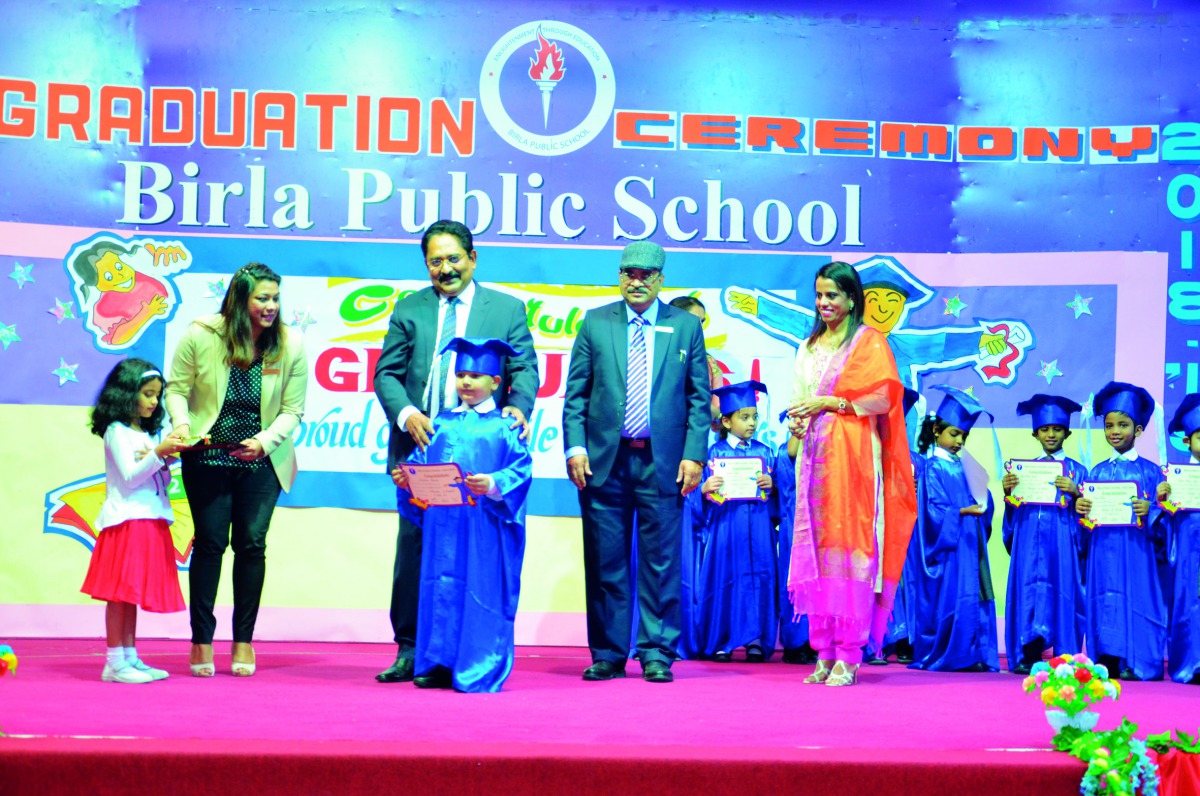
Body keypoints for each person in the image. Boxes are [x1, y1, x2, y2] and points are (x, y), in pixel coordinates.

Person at [374, 220, 538, 684]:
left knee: (474, 556)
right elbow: (387, 373)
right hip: (423, 448)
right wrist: (408, 414)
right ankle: (411, 649)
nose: (445, 269)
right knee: (416, 554)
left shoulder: (506, 308)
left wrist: (519, 406)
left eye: (453, 258)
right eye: (435, 261)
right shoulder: (410, 308)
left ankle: (468, 649)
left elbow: (525, 368)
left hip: (480, 455)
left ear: (472, 258)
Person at [563, 240, 711, 684]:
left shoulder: (685, 326)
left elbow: (699, 398)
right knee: (605, 560)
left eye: (647, 274)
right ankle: (608, 653)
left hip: (662, 462)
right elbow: (576, 395)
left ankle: (656, 652)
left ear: (661, 279)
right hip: (603, 463)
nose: (637, 281)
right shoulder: (595, 322)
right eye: (630, 273)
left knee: (661, 562)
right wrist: (575, 448)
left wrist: (694, 454)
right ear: (620, 276)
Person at [166, 263, 308, 677]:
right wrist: (181, 424)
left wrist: (263, 442)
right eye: (262, 298)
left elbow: (293, 410)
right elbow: (176, 389)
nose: (271, 306)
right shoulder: (200, 333)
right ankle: (201, 640)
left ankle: (243, 640)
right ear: (239, 300)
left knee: (251, 545)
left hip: (262, 458)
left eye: (275, 298)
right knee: (210, 544)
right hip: (208, 454)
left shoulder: (291, 343)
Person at [786, 261, 916, 687]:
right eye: (819, 295)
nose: (824, 303)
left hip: (855, 460)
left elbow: (882, 398)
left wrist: (830, 403)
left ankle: (849, 652)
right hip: (814, 460)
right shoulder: (808, 347)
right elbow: (800, 397)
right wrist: (798, 421)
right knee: (819, 549)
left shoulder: (868, 342)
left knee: (852, 546)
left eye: (833, 295)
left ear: (851, 298)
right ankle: (823, 651)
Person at [391, 338, 533, 693]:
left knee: (478, 587)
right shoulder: (441, 422)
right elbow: (422, 464)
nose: (466, 382)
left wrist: (494, 483)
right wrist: (408, 479)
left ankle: (477, 663)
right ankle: (438, 662)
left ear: (495, 382)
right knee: (439, 585)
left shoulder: (504, 426)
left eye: (476, 376)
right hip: (442, 526)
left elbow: (522, 470)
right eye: (461, 375)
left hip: (483, 526)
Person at [82, 359, 187, 683]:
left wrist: (163, 459)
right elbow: (129, 477)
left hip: (150, 518)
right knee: (120, 594)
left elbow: (158, 481)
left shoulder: (147, 432)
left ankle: (130, 656)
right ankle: (114, 662)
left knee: (132, 594)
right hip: (127, 521)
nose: (154, 401)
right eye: (147, 394)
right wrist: (158, 453)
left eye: (157, 395)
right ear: (127, 393)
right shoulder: (116, 431)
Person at [1074, 381, 1167, 681]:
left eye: (1123, 425)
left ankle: (1135, 660)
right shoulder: (1096, 472)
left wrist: (1151, 510)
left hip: (1137, 551)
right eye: (1109, 425)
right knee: (1104, 597)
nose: (1114, 431)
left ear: (1138, 430)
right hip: (1102, 549)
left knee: (1136, 598)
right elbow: (1085, 525)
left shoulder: (1152, 472)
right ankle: (1107, 658)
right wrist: (1081, 511)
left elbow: (1164, 521)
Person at [908, 385, 1000, 673]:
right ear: (937, 431)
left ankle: (974, 652)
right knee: (954, 595)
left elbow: (983, 498)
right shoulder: (933, 467)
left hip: (971, 542)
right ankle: (954, 653)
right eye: (954, 434)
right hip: (951, 547)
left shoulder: (965, 466)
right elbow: (934, 510)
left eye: (964, 436)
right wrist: (963, 511)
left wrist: (985, 503)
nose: (959, 441)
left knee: (977, 592)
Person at [1001, 394, 1088, 674]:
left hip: (1062, 543)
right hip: (1029, 542)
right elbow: (1013, 515)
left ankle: (1066, 656)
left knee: (1062, 591)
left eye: (1058, 429)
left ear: (1067, 433)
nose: (1051, 434)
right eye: (1045, 429)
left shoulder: (1078, 471)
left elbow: (1089, 516)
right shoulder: (1023, 471)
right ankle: (1028, 653)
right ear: (1035, 433)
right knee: (1029, 590)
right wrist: (1008, 493)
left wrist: (1076, 493)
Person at [695, 380, 777, 662]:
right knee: (725, 578)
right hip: (726, 527)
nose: (752, 423)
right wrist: (705, 489)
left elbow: (777, 499)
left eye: (755, 417)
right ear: (727, 422)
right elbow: (701, 496)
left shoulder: (765, 452)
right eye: (745, 417)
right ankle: (722, 640)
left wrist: (772, 485)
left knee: (758, 578)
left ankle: (755, 639)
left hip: (759, 527)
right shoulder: (714, 454)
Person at [1163, 393, 1200, 684]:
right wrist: (1163, 504)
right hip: (1188, 552)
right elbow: (1162, 524)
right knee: (1189, 603)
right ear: (1187, 441)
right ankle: (1192, 662)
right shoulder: (1175, 479)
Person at [774, 411, 813, 664]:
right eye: (794, 418)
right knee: (796, 584)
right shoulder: (785, 451)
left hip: (821, 525)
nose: (799, 422)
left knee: (818, 585)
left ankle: (816, 640)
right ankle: (795, 642)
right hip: (796, 525)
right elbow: (792, 451)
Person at [667, 295, 724, 423]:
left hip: (695, 428)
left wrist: (707, 411)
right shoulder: (653, 353)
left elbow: (716, 407)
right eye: (694, 320)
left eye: (702, 322)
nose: (699, 326)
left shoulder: (708, 361)